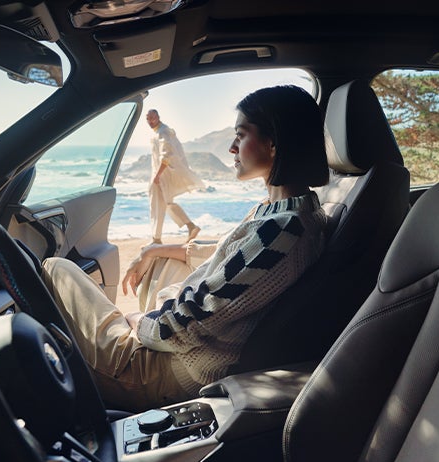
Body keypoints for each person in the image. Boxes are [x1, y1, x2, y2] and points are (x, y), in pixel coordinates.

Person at [41, 85, 330, 412]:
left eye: (240, 135)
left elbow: (186, 325)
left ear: (273, 143)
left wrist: (138, 321)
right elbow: (231, 259)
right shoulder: (282, 212)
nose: (232, 148)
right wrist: (154, 251)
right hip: (178, 349)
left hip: (162, 373)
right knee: (161, 261)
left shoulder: (283, 231)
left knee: (56, 268)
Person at [145, 109, 204, 244]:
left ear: (158, 117)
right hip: (159, 173)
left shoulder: (164, 131)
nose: (150, 121)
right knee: (163, 204)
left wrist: (157, 175)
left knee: (158, 204)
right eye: (147, 118)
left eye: (152, 118)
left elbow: (167, 155)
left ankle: (157, 239)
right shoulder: (158, 132)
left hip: (162, 174)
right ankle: (189, 226)